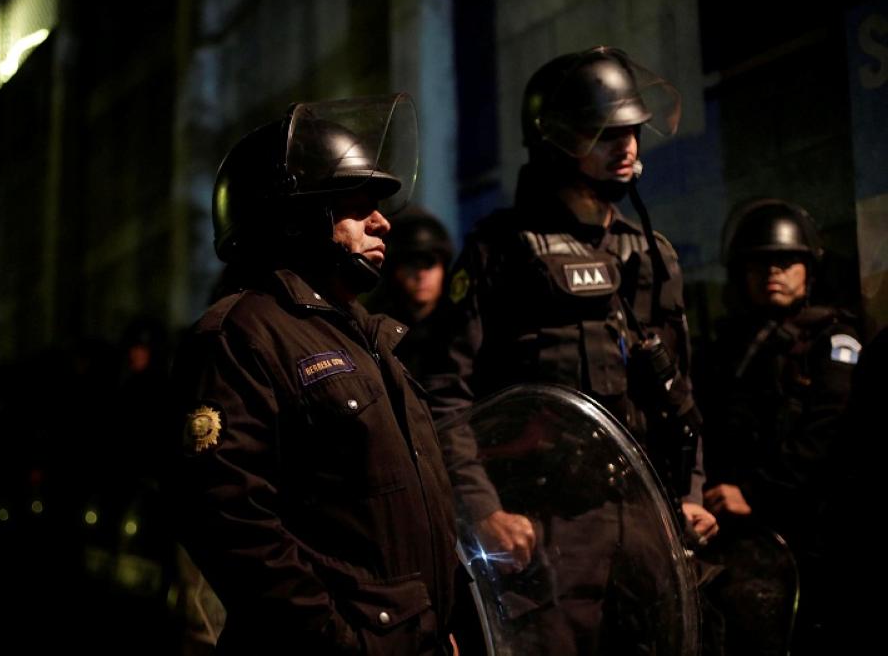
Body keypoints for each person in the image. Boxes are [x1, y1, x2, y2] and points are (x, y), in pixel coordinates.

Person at [422, 46, 716, 654]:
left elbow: (679, 392)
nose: (626, 145)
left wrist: (688, 495)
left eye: (631, 129)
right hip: (542, 526)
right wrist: (483, 510)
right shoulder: (500, 252)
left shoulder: (651, 254)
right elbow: (446, 396)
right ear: (556, 140)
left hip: (644, 521)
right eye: (603, 131)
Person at [165, 94, 461, 655]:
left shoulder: (363, 336)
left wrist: (446, 619)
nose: (381, 221)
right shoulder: (240, 336)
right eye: (356, 205)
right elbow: (230, 522)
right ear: (298, 219)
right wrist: (342, 641)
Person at [699, 198, 861, 655]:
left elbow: (827, 436)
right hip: (739, 538)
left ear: (809, 269)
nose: (772, 271)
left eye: (786, 261)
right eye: (759, 263)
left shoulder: (834, 341)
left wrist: (753, 493)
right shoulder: (729, 348)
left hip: (813, 539)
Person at [365, 205, 454, 380]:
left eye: (429, 263)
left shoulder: (462, 327)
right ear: (393, 270)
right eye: (411, 263)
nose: (421, 274)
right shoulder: (374, 330)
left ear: (444, 267)